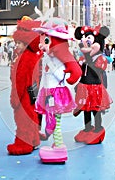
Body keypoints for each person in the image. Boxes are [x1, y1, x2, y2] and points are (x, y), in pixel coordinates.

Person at [34, 17, 82, 163]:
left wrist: (50, 65)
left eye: (46, 41)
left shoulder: (58, 60)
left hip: (55, 93)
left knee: (56, 121)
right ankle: (56, 143)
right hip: (49, 92)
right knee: (53, 119)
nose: (42, 45)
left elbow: (61, 75)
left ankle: (59, 146)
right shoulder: (50, 58)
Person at [7, 17, 42, 155]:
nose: (17, 46)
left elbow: (20, 81)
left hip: (24, 96)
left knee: (22, 119)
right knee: (32, 117)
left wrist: (15, 99)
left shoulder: (24, 58)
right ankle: (34, 140)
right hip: (32, 93)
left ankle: (24, 143)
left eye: (20, 43)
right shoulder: (32, 56)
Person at [73, 25, 112, 145]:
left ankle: (98, 128)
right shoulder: (83, 58)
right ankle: (88, 128)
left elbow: (98, 70)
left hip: (95, 88)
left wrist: (88, 60)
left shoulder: (100, 58)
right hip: (84, 87)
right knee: (85, 109)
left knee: (96, 109)